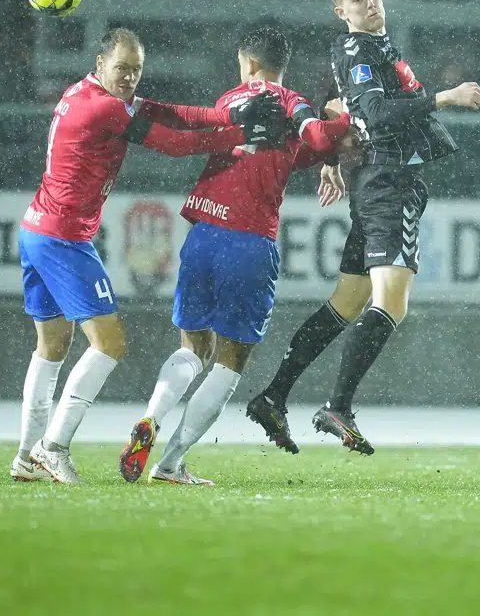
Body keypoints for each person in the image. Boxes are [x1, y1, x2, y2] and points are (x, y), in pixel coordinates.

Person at [14, 28, 287, 485]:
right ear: (100, 64)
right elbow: (174, 142)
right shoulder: (103, 107)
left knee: (51, 347)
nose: (129, 79)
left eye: (136, 71)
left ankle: (26, 455)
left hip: (36, 230)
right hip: (64, 238)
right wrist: (239, 131)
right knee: (110, 344)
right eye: (121, 69)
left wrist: (224, 114)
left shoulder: (83, 93)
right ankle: (52, 447)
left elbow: (167, 112)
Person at [245, 0, 480, 455]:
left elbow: (342, 103)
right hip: (388, 182)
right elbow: (374, 112)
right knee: (392, 302)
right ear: (342, 11)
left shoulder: (370, 46)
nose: (371, 1)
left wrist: (334, 155)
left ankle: (274, 395)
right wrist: (446, 97)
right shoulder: (358, 46)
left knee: (348, 302)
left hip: (377, 181)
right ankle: (339, 406)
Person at [117, 24, 353, 485]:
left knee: (192, 349)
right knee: (229, 362)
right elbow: (318, 141)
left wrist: (143, 106)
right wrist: (340, 127)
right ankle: (170, 463)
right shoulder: (292, 106)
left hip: (203, 234)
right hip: (250, 241)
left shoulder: (231, 100)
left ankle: (151, 416)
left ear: (247, 63)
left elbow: (196, 120)